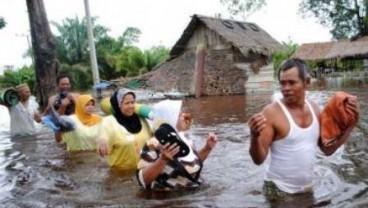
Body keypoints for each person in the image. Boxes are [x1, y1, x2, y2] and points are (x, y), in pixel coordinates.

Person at [248, 58, 359, 200]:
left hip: (307, 189)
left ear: (307, 82)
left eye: (292, 82)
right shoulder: (271, 113)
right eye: (282, 83)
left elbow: (327, 150)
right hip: (278, 190)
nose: (286, 88)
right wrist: (254, 136)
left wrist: (351, 125)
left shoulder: (315, 109)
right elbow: (258, 160)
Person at [136, 100, 218, 190]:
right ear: (170, 118)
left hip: (190, 196)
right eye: (179, 115)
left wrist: (207, 148)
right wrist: (163, 159)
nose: (184, 117)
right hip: (168, 200)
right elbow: (142, 180)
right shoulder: (154, 143)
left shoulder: (186, 139)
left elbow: (192, 165)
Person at [97, 89, 153, 171]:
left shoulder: (141, 120)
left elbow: (152, 139)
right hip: (121, 173)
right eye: (127, 103)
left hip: (144, 171)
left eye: (132, 102)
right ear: (118, 104)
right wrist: (101, 140)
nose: (131, 106)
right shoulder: (108, 122)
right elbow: (102, 136)